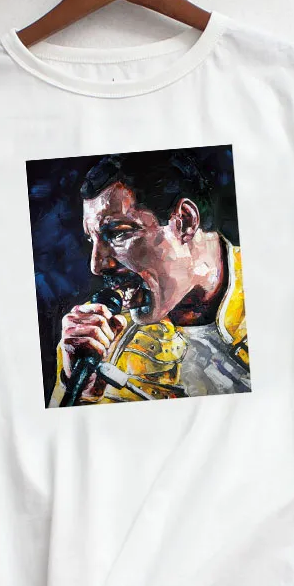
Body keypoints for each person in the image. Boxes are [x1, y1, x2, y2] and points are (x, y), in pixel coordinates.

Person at [47, 150, 251, 407]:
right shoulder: (96, 339)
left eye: (118, 233)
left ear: (185, 221)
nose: (97, 265)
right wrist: (75, 386)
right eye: (92, 240)